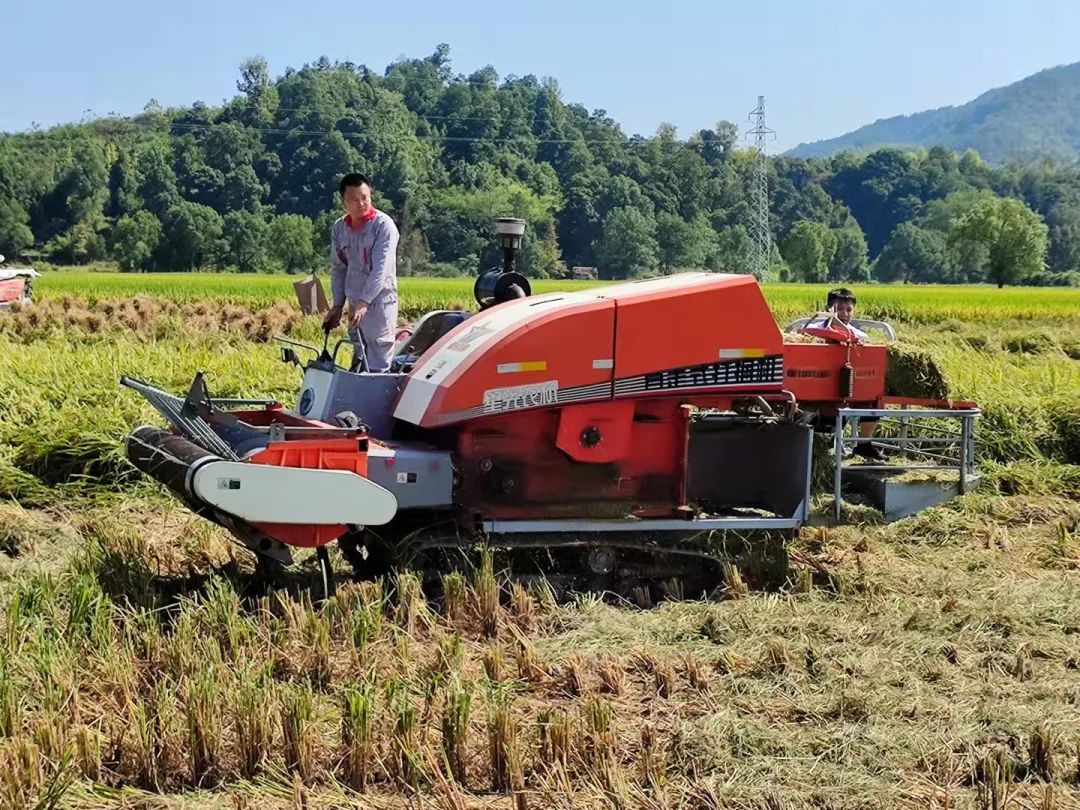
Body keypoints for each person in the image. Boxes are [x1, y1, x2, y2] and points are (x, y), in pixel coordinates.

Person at [323, 173, 400, 373]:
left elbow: (380, 270)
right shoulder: (339, 228)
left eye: (365, 197)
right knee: (358, 353)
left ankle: (376, 400)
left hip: (380, 301)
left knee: (378, 354)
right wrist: (338, 305)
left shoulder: (384, 226)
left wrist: (365, 301)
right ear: (343, 203)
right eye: (354, 200)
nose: (361, 204)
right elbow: (338, 268)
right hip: (354, 301)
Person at [826, 287, 885, 461]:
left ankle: (864, 445)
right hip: (822, 386)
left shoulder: (860, 337)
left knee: (873, 400)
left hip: (851, 386)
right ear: (828, 310)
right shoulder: (812, 332)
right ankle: (824, 445)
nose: (844, 314)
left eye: (848, 310)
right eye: (839, 309)